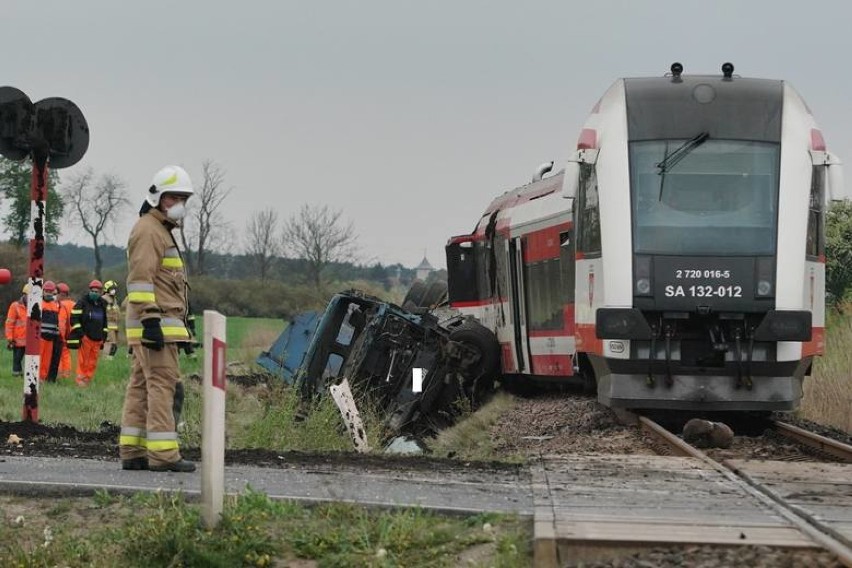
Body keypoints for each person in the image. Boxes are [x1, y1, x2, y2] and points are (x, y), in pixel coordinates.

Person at [119, 165, 195, 473]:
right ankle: (164, 455)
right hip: (154, 325)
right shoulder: (150, 230)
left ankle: (133, 451)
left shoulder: (156, 229)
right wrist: (151, 321)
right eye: (173, 198)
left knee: (140, 386)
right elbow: (140, 280)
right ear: (157, 197)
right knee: (163, 385)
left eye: (183, 198)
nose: (179, 204)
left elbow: (166, 284)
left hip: (157, 325)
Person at [67, 280, 108, 387]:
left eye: (97, 291)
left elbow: (105, 322)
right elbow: (74, 319)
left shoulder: (102, 304)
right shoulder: (82, 303)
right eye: (93, 291)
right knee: (83, 360)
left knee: (93, 362)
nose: (95, 293)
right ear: (89, 290)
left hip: (98, 338)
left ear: (100, 292)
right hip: (86, 337)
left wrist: (103, 338)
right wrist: (82, 335)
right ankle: (80, 379)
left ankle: (87, 379)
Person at [39, 281, 66, 383]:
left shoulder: (54, 305)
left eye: (50, 291)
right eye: (46, 291)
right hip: (41, 337)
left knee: (46, 360)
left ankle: (42, 378)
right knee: (39, 359)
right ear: (43, 291)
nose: (48, 293)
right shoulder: (39, 303)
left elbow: (56, 321)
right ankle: (37, 378)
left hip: (51, 338)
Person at [5, 284, 28, 376]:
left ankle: (26, 376)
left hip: (31, 341)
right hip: (18, 340)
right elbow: (9, 323)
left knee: (30, 361)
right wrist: (10, 338)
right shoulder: (15, 306)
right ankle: (16, 376)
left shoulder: (35, 306)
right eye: (28, 295)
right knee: (17, 360)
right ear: (24, 294)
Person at [57, 282, 75, 379]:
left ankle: (59, 374)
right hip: (73, 335)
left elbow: (61, 323)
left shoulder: (61, 305)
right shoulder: (74, 304)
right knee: (66, 354)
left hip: (63, 335)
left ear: (61, 294)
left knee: (59, 354)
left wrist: (60, 336)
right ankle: (67, 374)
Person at [102, 280, 121, 360]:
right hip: (108, 325)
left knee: (115, 345)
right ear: (107, 289)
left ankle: (110, 360)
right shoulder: (104, 299)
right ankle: (105, 360)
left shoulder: (114, 299)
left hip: (115, 325)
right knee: (109, 344)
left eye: (115, 289)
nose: (114, 290)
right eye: (112, 289)